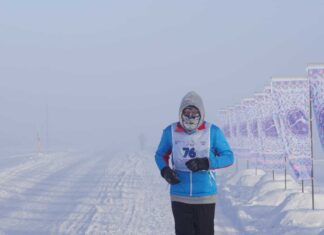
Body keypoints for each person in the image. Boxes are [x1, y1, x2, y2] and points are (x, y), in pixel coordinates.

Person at [155, 91, 234, 235]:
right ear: (181, 112)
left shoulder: (212, 131)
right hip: (179, 194)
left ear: (201, 113)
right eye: (187, 112)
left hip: (205, 196)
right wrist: (165, 170)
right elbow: (160, 155)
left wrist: (206, 163)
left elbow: (228, 157)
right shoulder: (171, 131)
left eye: (194, 112)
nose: (190, 116)